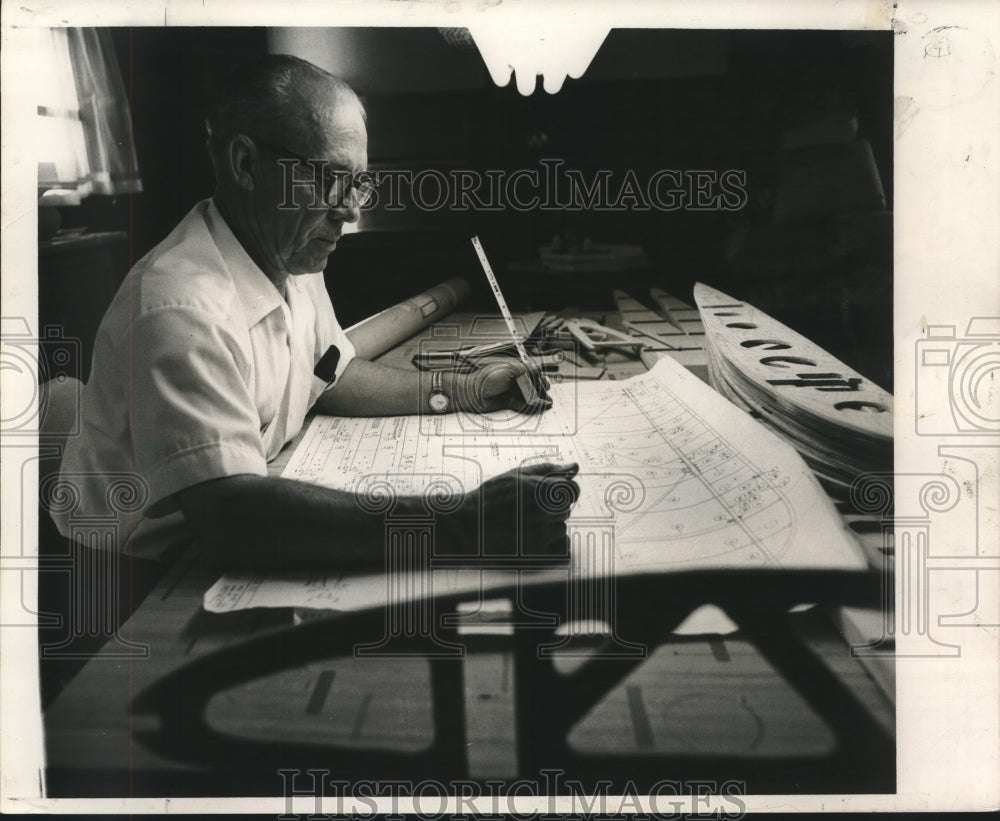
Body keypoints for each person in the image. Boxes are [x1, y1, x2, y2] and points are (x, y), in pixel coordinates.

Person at [52, 54, 578, 571]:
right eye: (331, 178)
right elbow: (229, 520)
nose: (351, 209)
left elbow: (331, 373)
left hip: (226, 522)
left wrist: (467, 388)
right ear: (245, 165)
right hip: (125, 577)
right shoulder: (179, 306)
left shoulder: (292, 257)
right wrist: (465, 523)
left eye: (360, 182)